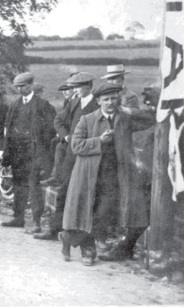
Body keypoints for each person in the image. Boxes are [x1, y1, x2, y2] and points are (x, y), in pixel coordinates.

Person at [60, 83, 155, 266]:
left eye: (114, 99)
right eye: (106, 99)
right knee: (89, 211)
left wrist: (127, 110)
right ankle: (88, 250)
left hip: (114, 175)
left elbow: (152, 119)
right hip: (89, 175)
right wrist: (99, 141)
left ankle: (68, 237)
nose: (110, 102)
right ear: (98, 101)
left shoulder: (124, 119)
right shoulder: (87, 120)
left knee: (104, 212)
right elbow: (76, 145)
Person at [35, 72, 99, 241]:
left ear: (87, 87)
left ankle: (86, 237)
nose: (74, 91)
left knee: (89, 195)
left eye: (77, 88)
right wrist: (65, 136)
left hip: (91, 155)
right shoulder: (74, 102)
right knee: (64, 191)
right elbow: (58, 119)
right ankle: (55, 230)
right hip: (72, 155)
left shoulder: (98, 103)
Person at [0, 72, 56, 232]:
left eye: (22, 86)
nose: (19, 89)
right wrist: (7, 153)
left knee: (34, 187)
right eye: (17, 87)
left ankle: (36, 222)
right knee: (18, 185)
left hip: (35, 153)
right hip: (18, 152)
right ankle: (18, 217)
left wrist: (42, 150)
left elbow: (51, 131)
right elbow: (8, 130)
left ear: (30, 85)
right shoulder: (15, 105)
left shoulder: (43, 105)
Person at [41, 81, 77, 186]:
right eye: (63, 91)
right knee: (53, 141)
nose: (65, 92)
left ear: (74, 89)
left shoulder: (75, 100)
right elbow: (62, 119)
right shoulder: (68, 100)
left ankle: (56, 175)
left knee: (59, 146)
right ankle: (53, 172)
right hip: (69, 133)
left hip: (75, 134)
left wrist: (65, 134)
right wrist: (62, 133)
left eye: (67, 90)